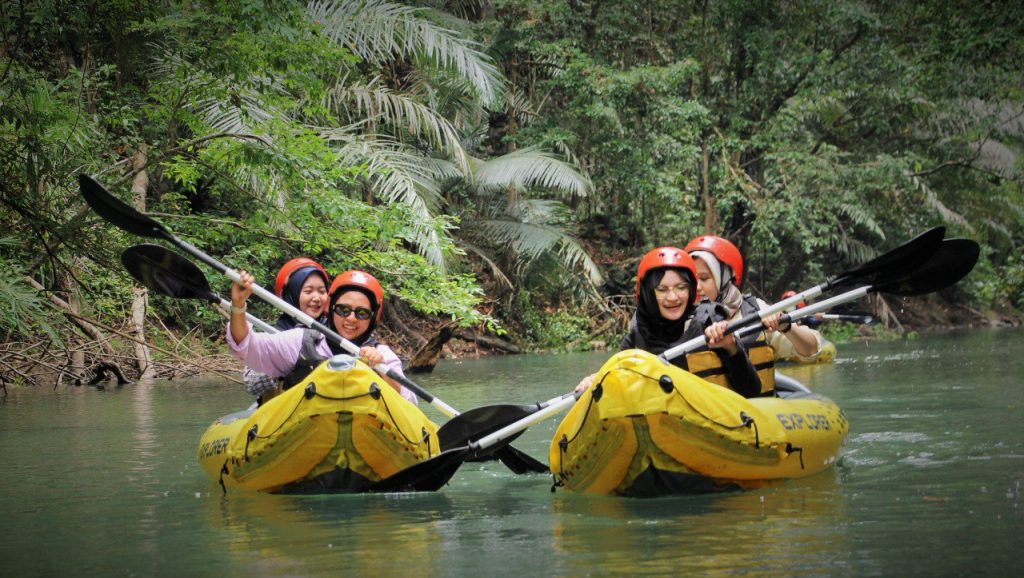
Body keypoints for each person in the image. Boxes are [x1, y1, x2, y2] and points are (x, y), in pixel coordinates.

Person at [576, 246, 763, 398]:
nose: (673, 297)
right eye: (662, 290)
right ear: (648, 293)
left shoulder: (710, 320)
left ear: (691, 290)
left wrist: (731, 347)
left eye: (681, 287)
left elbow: (751, 390)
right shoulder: (637, 335)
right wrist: (597, 378)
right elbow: (615, 372)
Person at [228, 268, 418, 404]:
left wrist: (381, 370)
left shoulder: (382, 354)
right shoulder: (299, 341)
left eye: (361, 313)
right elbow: (246, 346)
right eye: (343, 310)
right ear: (330, 308)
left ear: (372, 318)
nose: (351, 318)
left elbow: (408, 402)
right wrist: (238, 306)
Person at [683, 235, 827, 391]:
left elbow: (810, 350)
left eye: (704, 278)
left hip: (759, 409)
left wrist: (786, 327)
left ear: (724, 278)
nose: (696, 287)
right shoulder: (679, 318)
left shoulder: (756, 310)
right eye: (691, 279)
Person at [242, 258, 330, 401]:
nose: (317, 298)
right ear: (292, 294)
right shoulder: (275, 333)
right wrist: (284, 359)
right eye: (308, 291)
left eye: (322, 291)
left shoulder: (334, 331)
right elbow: (251, 384)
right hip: (287, 412)